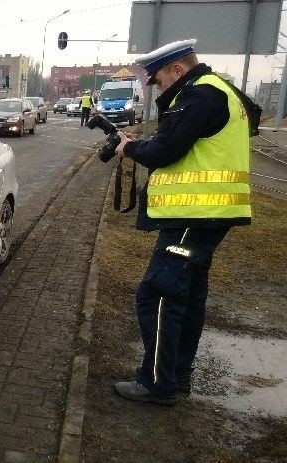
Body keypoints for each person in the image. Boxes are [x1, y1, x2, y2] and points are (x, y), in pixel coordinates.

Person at [112, 39, 252, 405]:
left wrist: (128, 147)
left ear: (177, 69)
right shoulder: (218, 91)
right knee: (187, 297)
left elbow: (165, 151)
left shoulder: (200, 95)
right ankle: (177, 376)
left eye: (158, 79)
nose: (157, 87)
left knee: (158, 294)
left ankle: (157, 384)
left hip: (196, 214)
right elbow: (185, 142)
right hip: (209, 215)